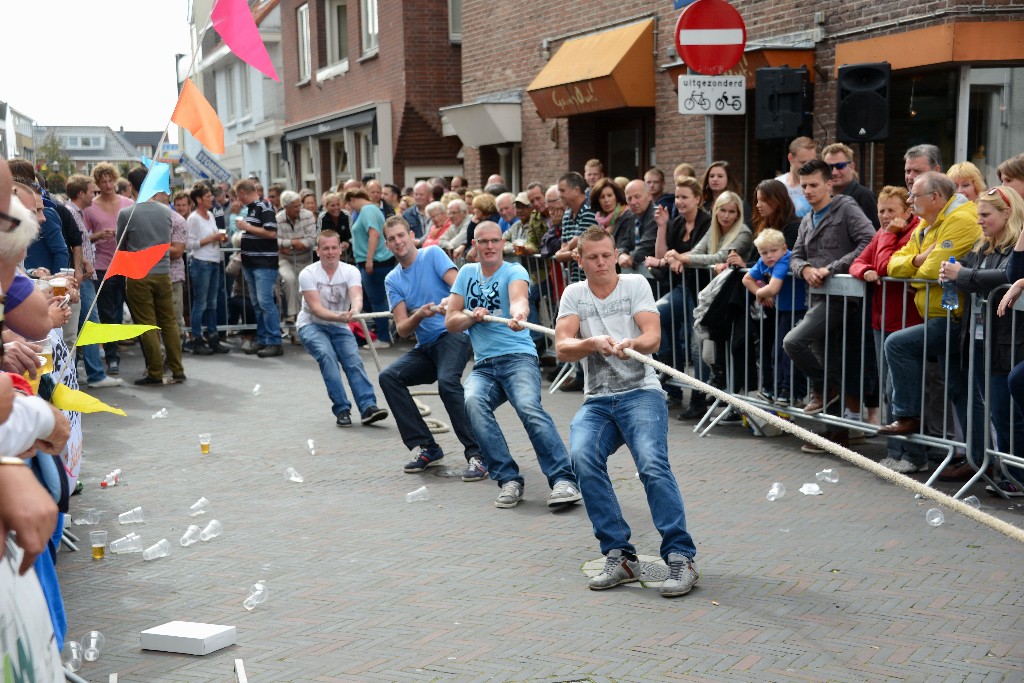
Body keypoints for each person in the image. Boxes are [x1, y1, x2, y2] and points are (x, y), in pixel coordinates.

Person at [555, 226, 699, 597]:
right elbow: (562, 345)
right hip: (598, 401)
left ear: (616, 253)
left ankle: (681, 556)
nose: (601, 263)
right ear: (580, 260)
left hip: (641, 393)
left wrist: (635, 342)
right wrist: (589, 343)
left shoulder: (635, 284)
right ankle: (619, 555)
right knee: (582, 456)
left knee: (651, 462)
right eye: (592, 257)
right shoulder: (574, 293)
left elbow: (653, 336)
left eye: (606, 255)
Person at [445, 222, 581, 509]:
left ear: (502, 242)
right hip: (484, 367)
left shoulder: (514, 270)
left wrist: (518, 314)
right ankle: (508, 479)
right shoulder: (467, 274)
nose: (490, 246)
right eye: (484, 242)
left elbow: (520, 300)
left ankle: (563, 479)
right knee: (472, 401)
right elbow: (451, 320)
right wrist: (472, 316)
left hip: (518, 358)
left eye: (495, 241)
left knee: (528, 407)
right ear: (475, 244)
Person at [878, 173, 981, 472]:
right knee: (959, 390)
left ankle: (909, 415)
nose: (909, 201)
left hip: (957, 318)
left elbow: (936, 268)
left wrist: (919, 264)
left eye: (914, 196)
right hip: (938, 314)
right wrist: (917, 261)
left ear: (935, 198)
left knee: (897, 344)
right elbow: (893, 264)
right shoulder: (927, 224)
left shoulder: (962, 219)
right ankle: (975, 460)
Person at [378, 217, 484, 478]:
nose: (398, 242)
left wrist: (452, 299)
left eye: (401, 235)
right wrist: (420, 315)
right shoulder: (392, 279)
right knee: (389, 377)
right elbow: (402, 329)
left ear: (411, 234)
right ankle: (428, 446)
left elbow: (462, 287)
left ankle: (478, 454)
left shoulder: (432, 254)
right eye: (392, 239)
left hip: (453, 335)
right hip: (426, 347)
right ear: (387, 244)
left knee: (448, 382)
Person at [937, 185, 1022, 484]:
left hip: (1008, 341)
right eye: (978, 214)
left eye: (985, 214)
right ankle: (1006, 470)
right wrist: (953, 274)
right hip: (980, 338)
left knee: (1006, 413)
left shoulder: (1015, 247)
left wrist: (961, 276)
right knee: (994, 411)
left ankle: (1016, 474)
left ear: (1007, 212)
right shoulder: (982, 247)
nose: (979, 221)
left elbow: (1007, 276)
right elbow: (966, 274)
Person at [783, 159, 875, 418]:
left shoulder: (846, 207)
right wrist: (806, 270)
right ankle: (835, 433)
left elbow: (869, 240)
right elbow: (795, 257)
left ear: (829, 184)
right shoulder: (807, 219)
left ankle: (825, 387)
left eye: (813, 185)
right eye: (804, 186)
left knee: (793, 342)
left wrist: (832, 268)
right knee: (826, 361)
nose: (808, 190)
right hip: (817, 297)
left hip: (844, 298)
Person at [850, 186, 924, 469]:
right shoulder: (882, 233)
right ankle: (895, 454)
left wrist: (888, 239)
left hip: (907, 324)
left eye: (891, 210)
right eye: (881, 210)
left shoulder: (914, 232)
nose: (884, 216)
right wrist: (862, 271)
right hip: (881, 322)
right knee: (888, 390)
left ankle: (913, 456)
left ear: (907, 211)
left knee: (901, 391)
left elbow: (884, 266)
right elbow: (861, 262)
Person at [296, 230, 388, 427]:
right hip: (312, 324)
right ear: (318, 251)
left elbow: (356, 296)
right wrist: (339, 316)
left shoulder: (350, 271)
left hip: (340, 325)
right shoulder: (307, 274)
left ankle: (368, 407)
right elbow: (317, 309)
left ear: (341, 249)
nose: (330, 252)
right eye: (326, 248)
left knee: (353, 360)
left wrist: (355, 309)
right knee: (326, 355)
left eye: (334, 248)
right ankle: (342, 409)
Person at [117, 167, 186, 385]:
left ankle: (155, 371)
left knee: (147, 324)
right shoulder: (167, 211)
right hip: (163, 272)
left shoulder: (127, 214)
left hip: (139, 274)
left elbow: (121, 244)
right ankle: (177, 369)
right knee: (169, 322)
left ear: (131, 186)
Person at [742, 228, 806, 404]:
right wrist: (762, 293)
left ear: (784, 248)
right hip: (785, 310)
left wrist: (761, 293)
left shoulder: (784, 260)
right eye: (764, 252)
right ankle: (777, 389)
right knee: (776, 351)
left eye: (773, 251)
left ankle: (789, 390)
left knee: (788, 352)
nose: (769, 256)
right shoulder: (767, 261)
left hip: (800, 309)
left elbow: (774, 287)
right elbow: (746, 279)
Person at [235, 179, 284, 357]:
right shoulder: (253, 208)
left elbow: (271, 233)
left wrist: (246, 227)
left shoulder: (265, 207)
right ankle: (263, 339)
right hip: (252, 262)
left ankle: (274, 341)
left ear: (242, 193)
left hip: (263, 263)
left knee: (265, 303)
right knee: (258, 303)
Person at [186, 184, 230, 354]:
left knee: (212, 302)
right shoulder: (193, 218)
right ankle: (197, 339)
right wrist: (210, 238)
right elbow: (190, 244)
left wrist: (221, 238)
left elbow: (214, 235)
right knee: (201, 303)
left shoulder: (210, 214)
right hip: (201, 262)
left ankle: (213, 337)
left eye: (211, 196)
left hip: (214, 261)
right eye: (207, 196)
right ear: (198, 199)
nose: (211, 198)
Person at [347, 188, 394, 348]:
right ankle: (380, 330)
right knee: (370, 298)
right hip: (372, 260)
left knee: (377, 300)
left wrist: (369, 259)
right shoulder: (371, 210)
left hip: (375, 261)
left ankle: (383, 337)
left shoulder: (367, 210)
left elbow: (374, 234)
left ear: (352, 199)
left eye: (349, 204)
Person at [276, 190, 318, 326]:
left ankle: (300, 323)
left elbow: (312, 239)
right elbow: (276, 241)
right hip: (285, 259)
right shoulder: (278, 219)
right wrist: (294, 242)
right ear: (285, 207)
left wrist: (291, 243)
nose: (299, 209)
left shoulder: (308, 216)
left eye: (300, 205)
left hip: (304, 259)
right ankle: (291, 314)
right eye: (295, 206)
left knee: (303, 288)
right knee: (288, 280)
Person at [821, 143, 879, 227]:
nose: (834, 172)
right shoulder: (824, 198)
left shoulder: (864, 196)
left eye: (840, 166)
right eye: (829, 167)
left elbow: (875, 235)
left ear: (851, 167)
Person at [554, 173, 596, 283]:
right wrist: (567, 251)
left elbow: (581, 242)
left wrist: (560, 254)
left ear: (576, 190)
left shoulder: (588, 210)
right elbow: (566, 245)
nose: (559, 195)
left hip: (591, 277)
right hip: (575, 278)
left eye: (562, 190)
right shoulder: (567, 214)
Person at [775, 137, 817, 218]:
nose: (808, 167)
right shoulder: (778, 184)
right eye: (803, 162)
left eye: (812, 162)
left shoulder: (818, 186)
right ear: (790, 158)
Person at [591, 178, 634, 257]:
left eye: (610, 195)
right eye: (602, 197)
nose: (606, 200)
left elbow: (621, 246)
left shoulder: (627, 216)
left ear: (616, 197)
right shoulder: (600, 220)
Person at [699, 160, 752, 226]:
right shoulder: (703, 206)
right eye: (712, 176)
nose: (715, 179)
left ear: (728, 180)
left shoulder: (741, 205)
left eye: (720, 176)